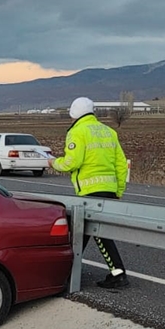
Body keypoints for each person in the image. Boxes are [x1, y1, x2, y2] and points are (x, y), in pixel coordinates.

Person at [48, 97, 131, 289]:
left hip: (90, 191)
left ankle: (67, 276)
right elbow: (121, 164)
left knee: (84, 233)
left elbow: (72, 162)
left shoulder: (77, 132)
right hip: (109, 190)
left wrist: (53, 163)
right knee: (87, 233)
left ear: (74, 113)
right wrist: (118, 191)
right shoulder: (109, 131)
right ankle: (74, 274)